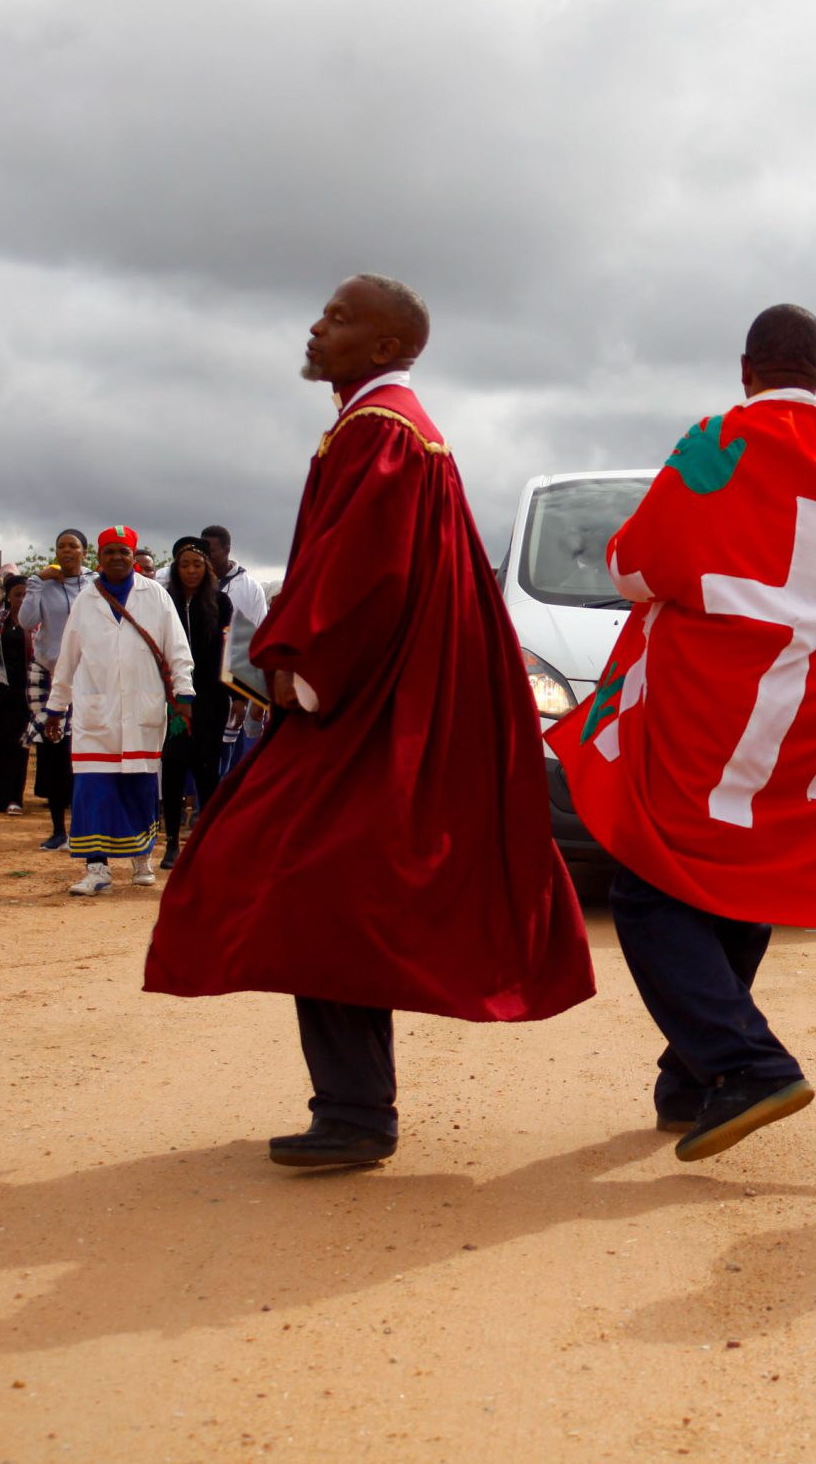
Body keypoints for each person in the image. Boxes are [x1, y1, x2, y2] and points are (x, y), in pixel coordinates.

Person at [146, 275, 593, 1170]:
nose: (318, 324)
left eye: (341, 316)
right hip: (385, 698)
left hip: (363, 704)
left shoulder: (383, 435)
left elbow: (366, 574)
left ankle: (354, 1110)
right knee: (331, 888)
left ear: (387, 345)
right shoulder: (383, 428)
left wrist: (304, 669)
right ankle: (353, 1105)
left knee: (312, 878)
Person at [548, 303, 816, 1162]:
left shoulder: (717, 439)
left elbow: (639, 563)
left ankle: (747, 1063)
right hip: (815, 705)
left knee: (648, 880)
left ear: (745, 368)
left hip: (715, 700)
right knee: (743, 875)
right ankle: (694, 1076)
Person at [44, 525, 192, 895]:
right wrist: (56, 707)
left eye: (124, 552)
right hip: (96, 714)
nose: (117, 558)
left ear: (133, 556)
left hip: (142, 712)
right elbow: (68, 657)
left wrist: (185, 694)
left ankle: (140, 860)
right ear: (99, 557)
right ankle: (96, 868)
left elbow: (177, 648)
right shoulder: (86, 601)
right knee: (93, 790)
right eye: (110, 552)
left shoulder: (155, 595)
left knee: (138, 787)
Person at [159, 535, 232, 870]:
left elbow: (228, 654)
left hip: (211, 699)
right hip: (172, 700)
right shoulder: (164, 601)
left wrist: (238, 697)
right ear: (176, 568)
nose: (191, 571)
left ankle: (209, 842)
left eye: (197, 564)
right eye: (185, 564)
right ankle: (171, 843)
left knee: (207, 770)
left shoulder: (221, 603)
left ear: (207, 568)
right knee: (172, 768)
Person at [18, 529, 92, 849]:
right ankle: (58, 829)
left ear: (84, 552)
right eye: (61, 546)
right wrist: (35, 582)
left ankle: (82, 827)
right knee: (53, 750)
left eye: (73, 546)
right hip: (47, 673)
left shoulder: (95, 584)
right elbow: (26, 620)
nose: (66, 551)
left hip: (86, 675)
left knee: (81, 752)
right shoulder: (42, 583)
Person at [0, 572, 33, 815]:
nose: (22, 599)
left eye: (26, 594)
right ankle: (0, 796)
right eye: (17, 595)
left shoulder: (36, 622)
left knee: (21, 746)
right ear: (8, 597)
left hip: (28, 692)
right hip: (1, 691)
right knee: (1, 743)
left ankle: (16, 798)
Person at [201, 524, 271, 689]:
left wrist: (250, 692)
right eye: (202, 550)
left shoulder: (251, 588)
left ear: (227, 550)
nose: (205, 557)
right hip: (199, 674)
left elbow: (257, 637)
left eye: (211, 551)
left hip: (232, 678)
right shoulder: (192, 583)